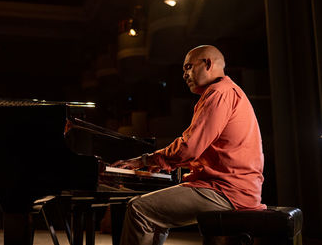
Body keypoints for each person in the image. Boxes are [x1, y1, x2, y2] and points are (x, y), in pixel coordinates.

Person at [112, 45, 266, 245]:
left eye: (188, 67)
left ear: (208, 63)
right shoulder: (228, 91)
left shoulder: (219, 93)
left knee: (137, 209)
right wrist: (163, 162)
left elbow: (189, 148)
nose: (184, 75)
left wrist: (145, 160)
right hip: (234, 188)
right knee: (157, 217)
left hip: (226, 192)